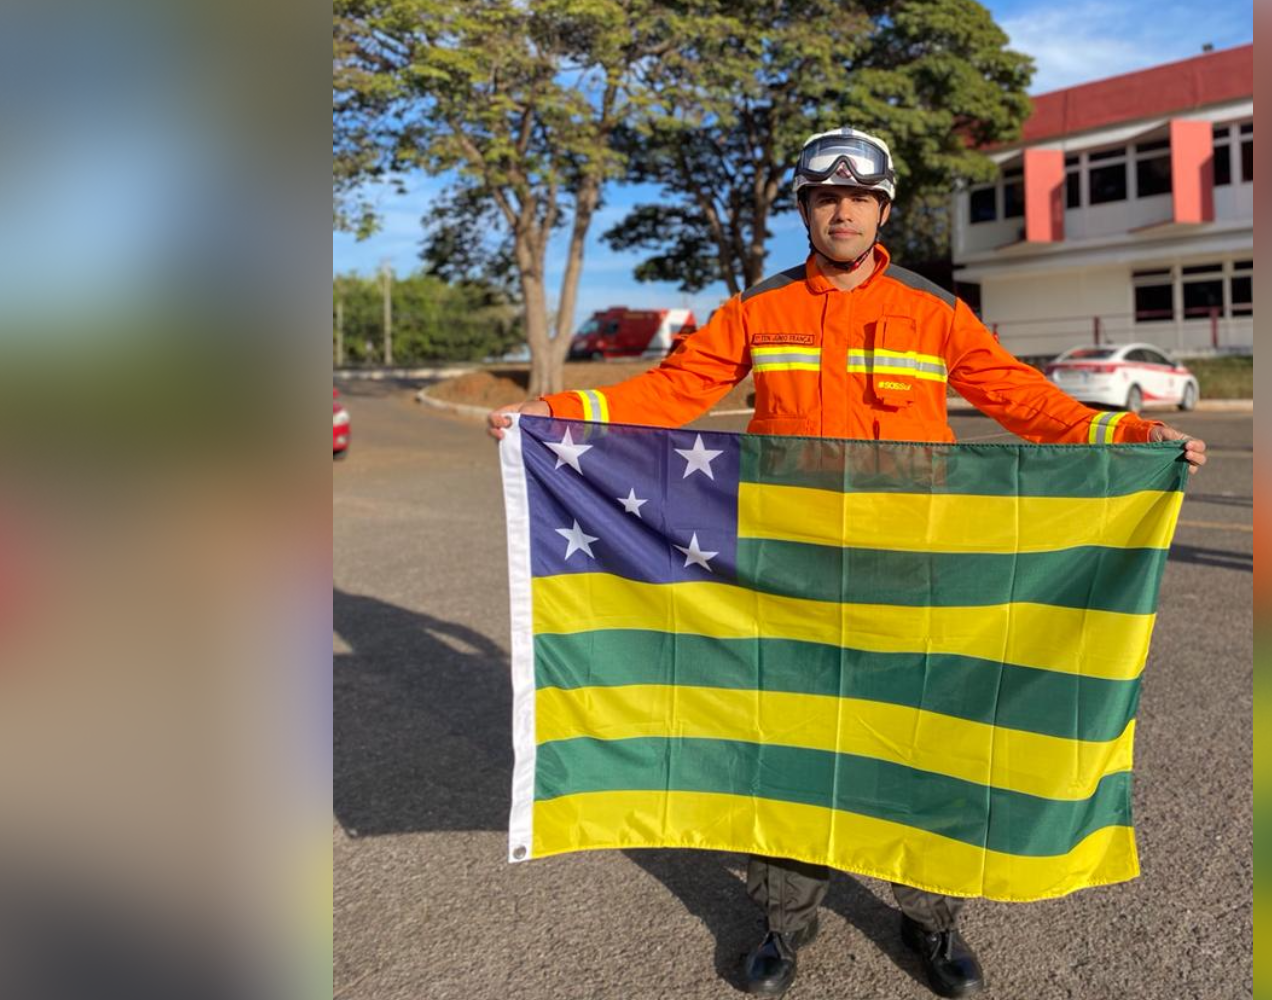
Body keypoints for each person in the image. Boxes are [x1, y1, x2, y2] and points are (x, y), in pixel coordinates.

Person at [489, 126, 1206, 998]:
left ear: (882, 210)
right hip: (789, 574)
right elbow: (672, 392)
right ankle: (784, 927)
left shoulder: (932, 309)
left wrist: (1130, 434)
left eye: (858, 198)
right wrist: (555, 413)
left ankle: (931, 923)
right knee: (788, 743)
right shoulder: (758, 310)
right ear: (804, 210)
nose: (842, 211)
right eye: (826, 198)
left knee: (920, 744)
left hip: (913, 575)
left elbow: (1021, 398)